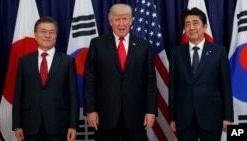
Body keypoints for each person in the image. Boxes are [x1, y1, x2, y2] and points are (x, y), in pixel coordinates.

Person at [83, 3, 157, 141]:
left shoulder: (144, 46)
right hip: (105, 116)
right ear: (110, 22)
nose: (121, 23)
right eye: (117, 19)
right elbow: (89, 79)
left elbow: (151, 82)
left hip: (136, 116)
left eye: (125, 19)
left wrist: (151, 111)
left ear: (131, 21)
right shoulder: (97, 44)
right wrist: (90, 110)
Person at [168, 7, 234, 141]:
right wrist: (172, 117)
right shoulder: (176, 53)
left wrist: (228, 117)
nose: (191, 27)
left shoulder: (219, 52)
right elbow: (173, 87)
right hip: (184, 118)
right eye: (187, 24)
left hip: (212, 117)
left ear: (205, 26)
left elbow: (226, 87)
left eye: (195, 23)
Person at [12, 16, 79, 141]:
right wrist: (17, 125)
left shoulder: (67, 61)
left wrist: (73, 125)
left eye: (52, 32)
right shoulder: (24, 61)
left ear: (56, 35)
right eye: (43, 31)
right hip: (30, 124)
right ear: (36, 35)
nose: (47, 35)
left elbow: (73, 96)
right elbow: (18, 94)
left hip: (59, 123)